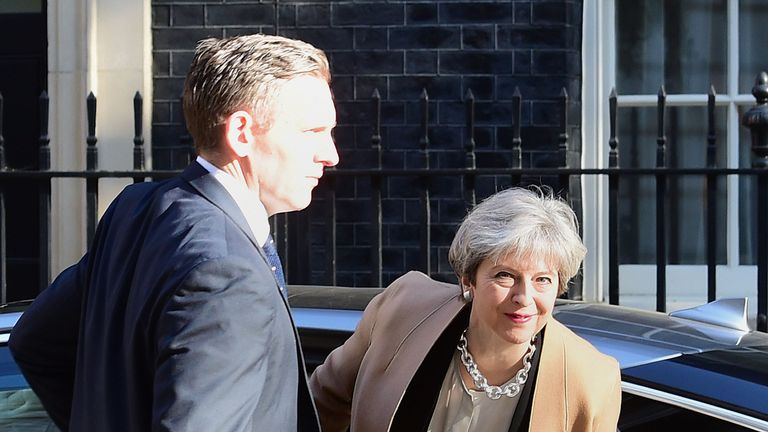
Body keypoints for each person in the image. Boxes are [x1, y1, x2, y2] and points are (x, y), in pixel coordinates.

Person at [9, 34, 338, 431]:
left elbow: (35, 340)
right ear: (241, 133)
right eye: (313, 131)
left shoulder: (136, 209)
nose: (330, 155)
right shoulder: (228, 271)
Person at [310, 187, 621, 431]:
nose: (524, 297)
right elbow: (318, 405)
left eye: (542, 280)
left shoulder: (591, 380)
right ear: (468, 279)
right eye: (505, 276)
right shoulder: (401, 310)